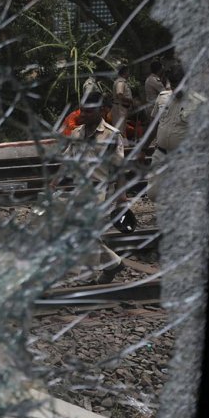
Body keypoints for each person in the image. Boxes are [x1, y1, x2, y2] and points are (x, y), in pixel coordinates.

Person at [54, 91, 128, 285]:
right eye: (82, 111)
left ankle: (86, 278)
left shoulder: (112, 135)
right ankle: (114, 263)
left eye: (88, 112)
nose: (82, 115)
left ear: (101, 111)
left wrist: (122, 198)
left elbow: (119, 169)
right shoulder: (77, 133)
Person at [147, 65, 200, 202]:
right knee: (153, 194)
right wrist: (143, 147)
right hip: (161, 153)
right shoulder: (163, 97)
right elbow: (154, 125)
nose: (177, 89)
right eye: (174, 85)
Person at [110, 63, 134, 140]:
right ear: (125, 72)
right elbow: (119, 94)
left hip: (122, 108)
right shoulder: (120, 82)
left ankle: (121, 145)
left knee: (122, 129)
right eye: (128, 71)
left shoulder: (122, 81)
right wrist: (130, 100)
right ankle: (119, 146)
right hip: (120, 108)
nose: (129, 73)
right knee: (119, 129)